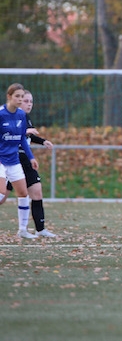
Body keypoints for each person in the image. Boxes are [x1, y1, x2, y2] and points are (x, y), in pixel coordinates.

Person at [5, 90, 57, 237]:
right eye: (25, 101)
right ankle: (24, 230)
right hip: (11, 160)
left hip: (25, 161)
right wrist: (26, 131)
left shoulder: (24, 117)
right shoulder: (9, 115)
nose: (28, 104)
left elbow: (26, 137)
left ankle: (40, 229)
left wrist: (42, 141)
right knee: (2, 197)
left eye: (31, 101)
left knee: (37, 192)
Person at [0, 83, 39, 239]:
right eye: (17, 96)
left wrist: (31, 157)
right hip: (0, 160)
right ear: (9, 97)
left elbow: (23, 139)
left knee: (23, 193)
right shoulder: (1, 114)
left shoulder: (21, 115)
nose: (20, 99)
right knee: (2, 192)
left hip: (14, 160)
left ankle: (22, 230)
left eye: (22, 96)